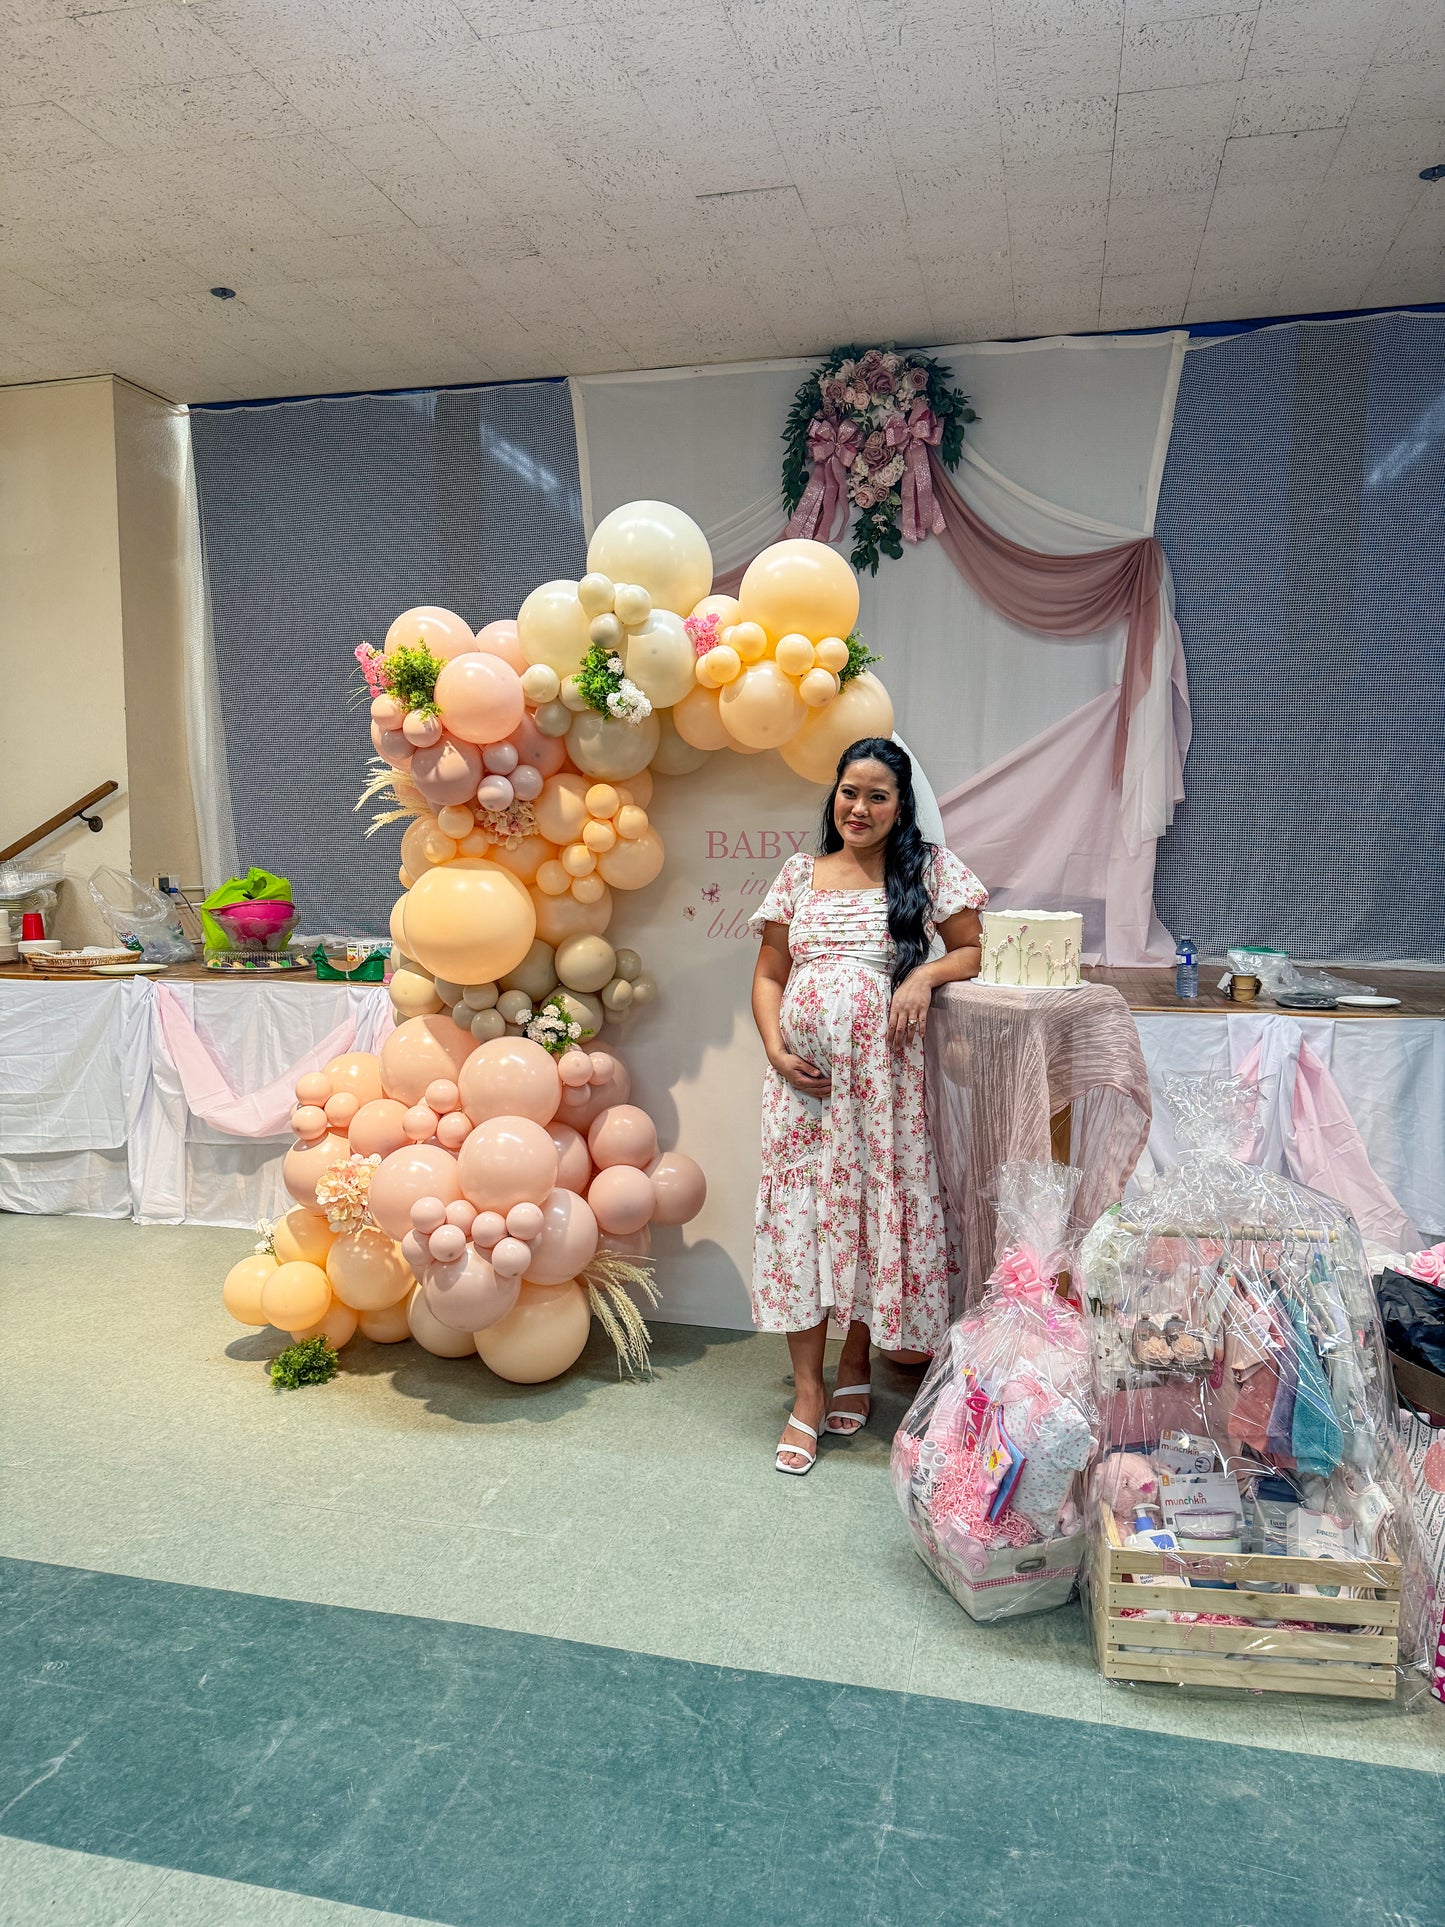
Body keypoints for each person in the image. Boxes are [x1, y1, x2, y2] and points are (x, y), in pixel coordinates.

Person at [748, 737, 987, 1475]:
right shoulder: (798, 875)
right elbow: (768, 975)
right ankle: (808, 1391)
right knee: (801, 1224)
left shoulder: (928, 870)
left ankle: (856, 1358)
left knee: (863, 1217)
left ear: (900, 806)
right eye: (849, 792)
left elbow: (972, 949)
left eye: (877, 796)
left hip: (882, 1093)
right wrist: (775, 1048)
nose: (859, 808)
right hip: (802, 1093)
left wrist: (920, 978)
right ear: (835, 795)